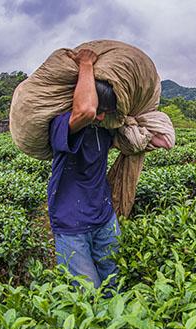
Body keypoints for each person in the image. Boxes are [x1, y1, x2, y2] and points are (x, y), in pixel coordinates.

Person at [47, 48, 120, 291]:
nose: (99, 117)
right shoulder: (62, 125)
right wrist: (86, 63)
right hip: (72, 225)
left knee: (114, 286)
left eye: (105, 113)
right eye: (99, 111)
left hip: (105, 218)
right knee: (89, 294)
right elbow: (86, 111)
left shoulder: (105, 129)